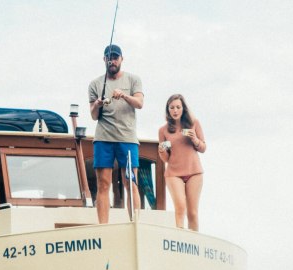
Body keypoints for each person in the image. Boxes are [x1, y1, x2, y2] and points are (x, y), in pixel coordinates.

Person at [88, 44, 144, 223]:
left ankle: (134, 223)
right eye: (109, 57)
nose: (112, 61)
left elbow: (139, 103)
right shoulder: (95, 84)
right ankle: (103, 227)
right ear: (104, 60)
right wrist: (97, 104)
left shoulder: (133, 79)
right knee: (103, 184)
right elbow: (94, 116)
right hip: (103, 139)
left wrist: (124, 96)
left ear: (121, 59)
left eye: (115, 57)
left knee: (130, 182)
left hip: (127, 139)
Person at [157, 94, 206, 231]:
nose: (175, 110)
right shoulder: (163, 130)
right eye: (172, 108)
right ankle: (180, 239)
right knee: (180, 208)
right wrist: (161, 150)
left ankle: (193, 244)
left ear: (183, 108)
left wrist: (195, 139)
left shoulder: (194, 123)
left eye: (178, 107)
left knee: (193, 212)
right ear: (168, 110)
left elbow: (203, 148)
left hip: (194, 172)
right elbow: (166, 158)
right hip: (173, 173)